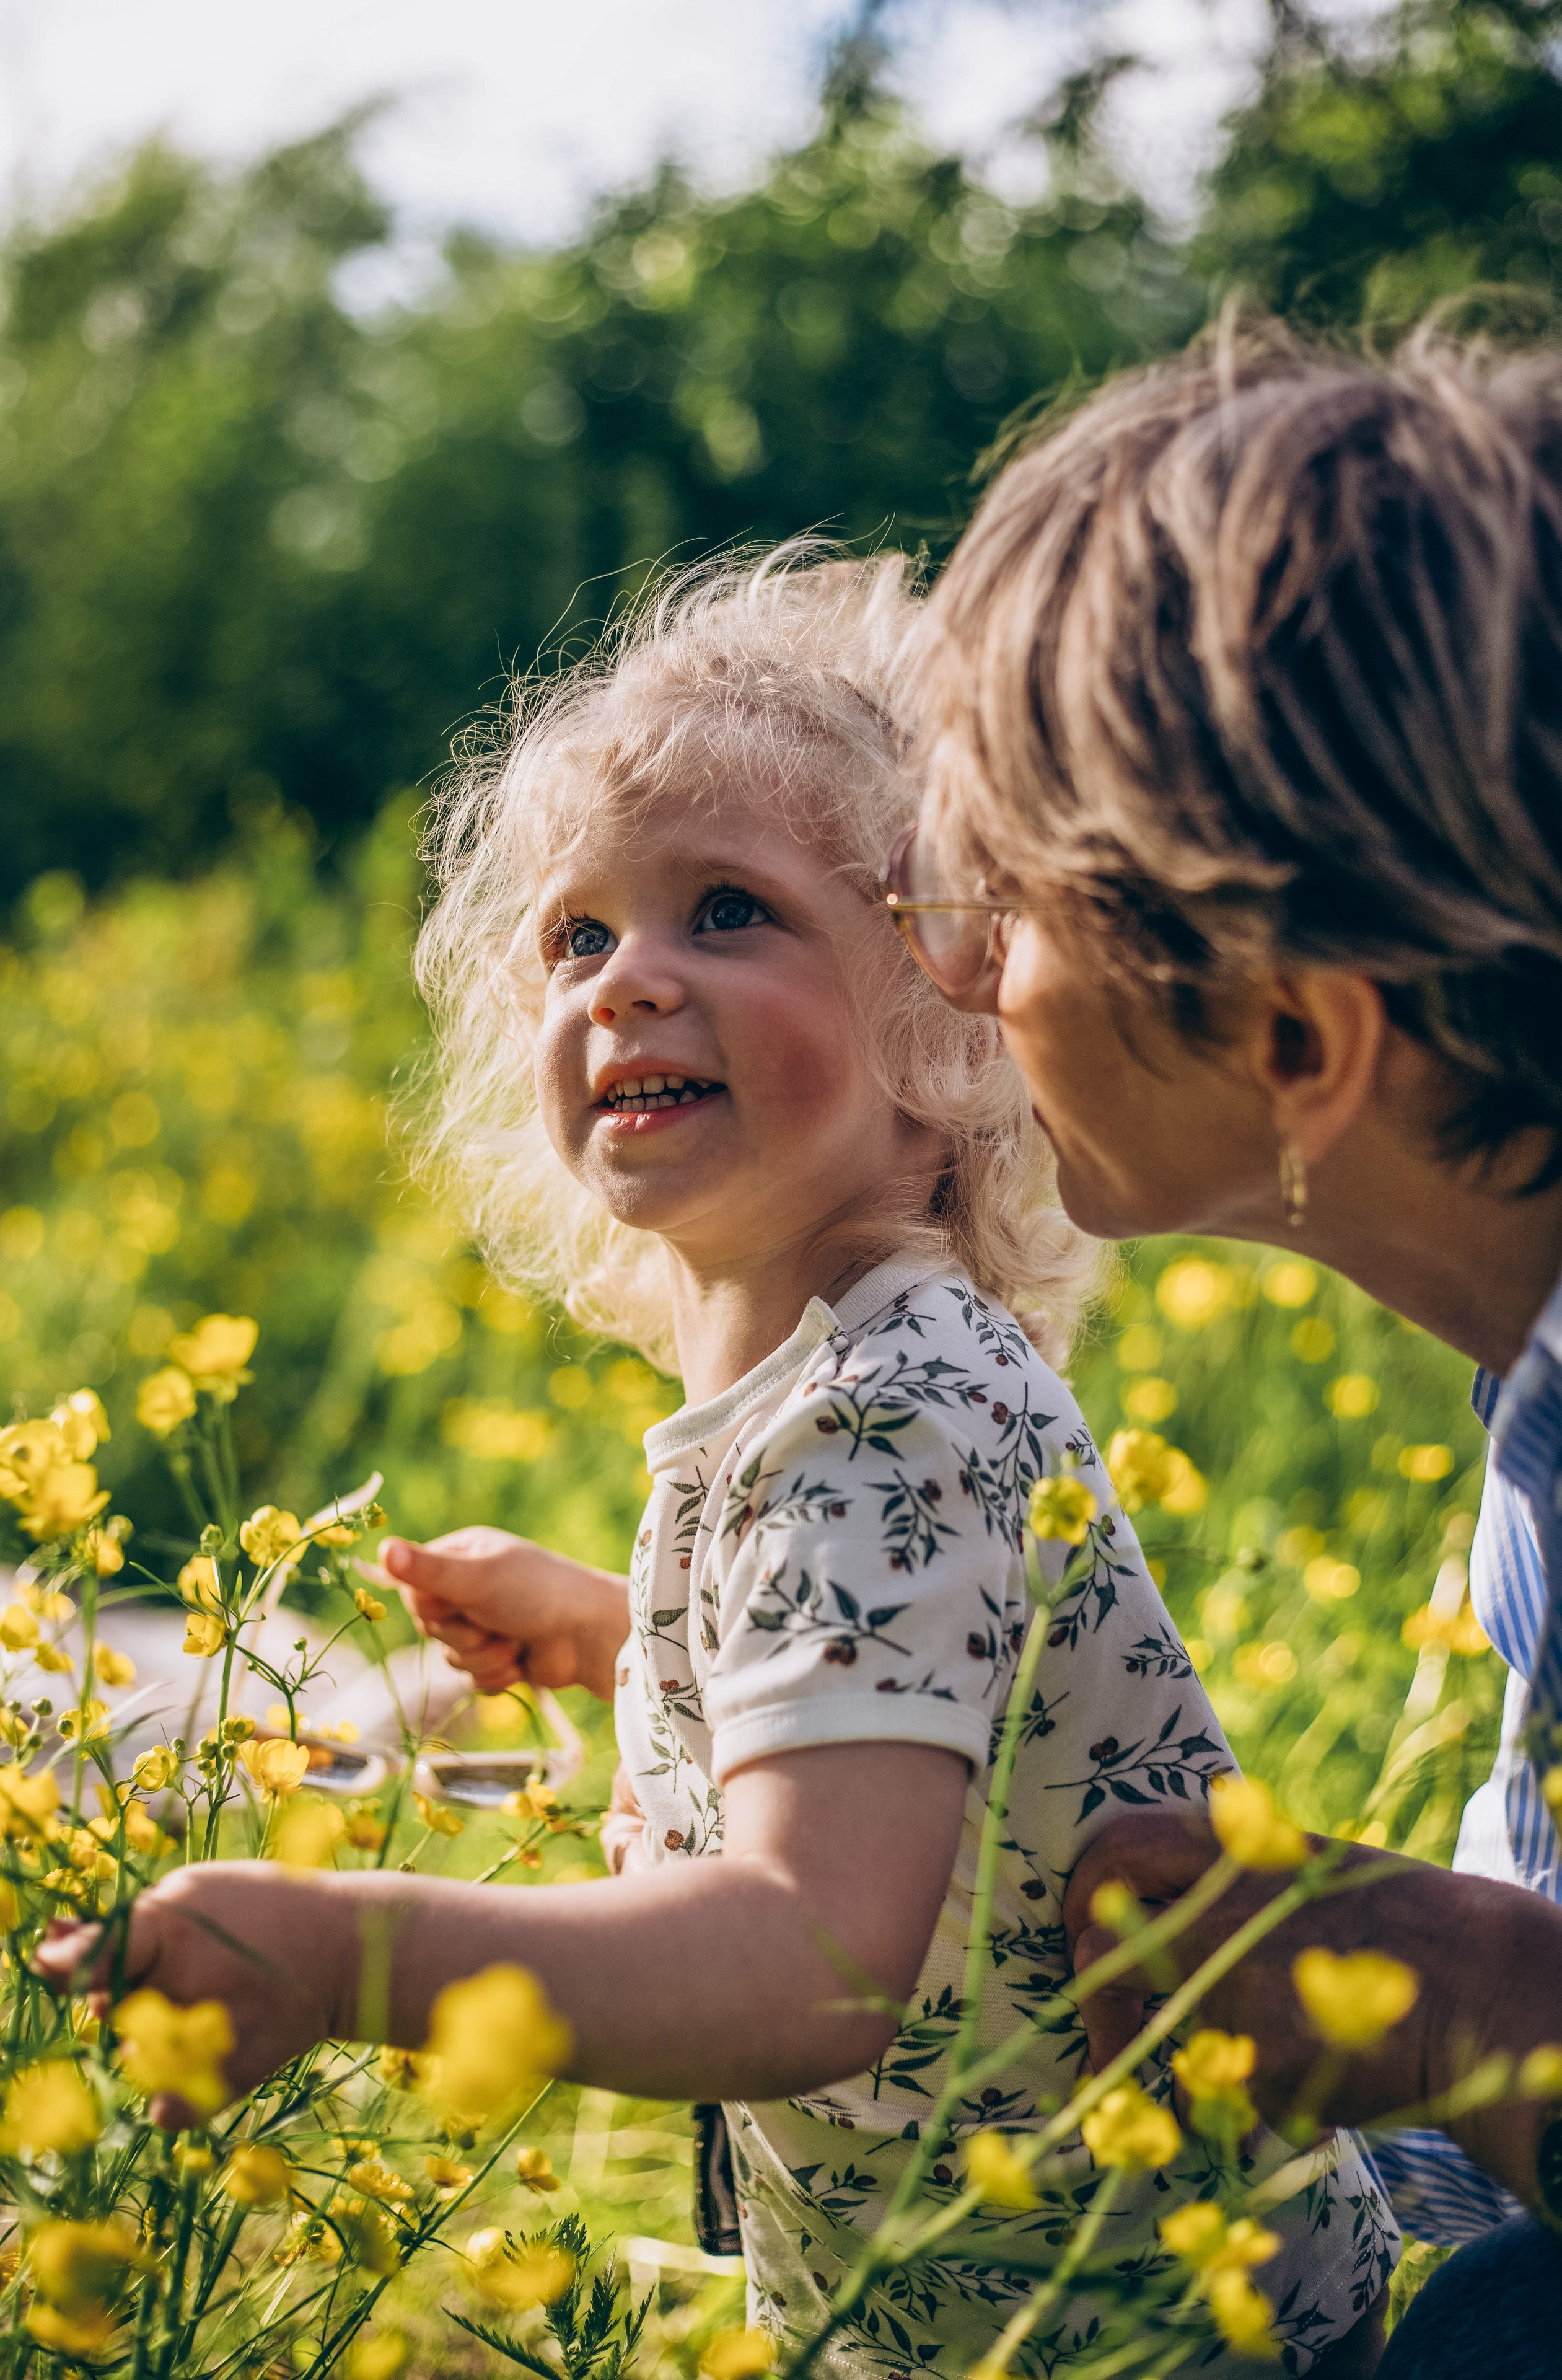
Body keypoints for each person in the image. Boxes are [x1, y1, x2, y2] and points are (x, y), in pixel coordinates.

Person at [43, 557, 1389, 2374]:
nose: (628, 983)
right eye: (577, 937)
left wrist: (349, 1957)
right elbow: (902, 1730)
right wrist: (628, 1639)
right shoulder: (835, 1391)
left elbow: (805, 1964)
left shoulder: (884, 1412)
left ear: (948, 1013)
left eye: (728, 912)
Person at [888, 317, 1562, 2374]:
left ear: (1298, 1041)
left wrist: (1499, 2016)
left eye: (1002, 903)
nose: (959, 969)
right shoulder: (1537, 1372)